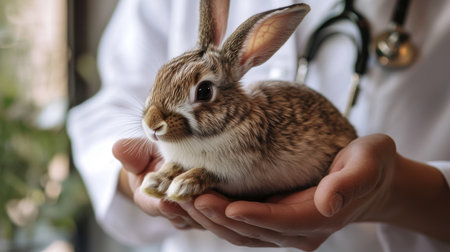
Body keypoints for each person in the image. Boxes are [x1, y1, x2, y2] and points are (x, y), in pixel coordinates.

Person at [67, 0, 450, 251]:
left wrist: (391, 193)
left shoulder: (242, 131)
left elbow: (239, 170)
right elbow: (110, 103)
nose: (152, 122)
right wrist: (140, 173)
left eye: (202, 93)